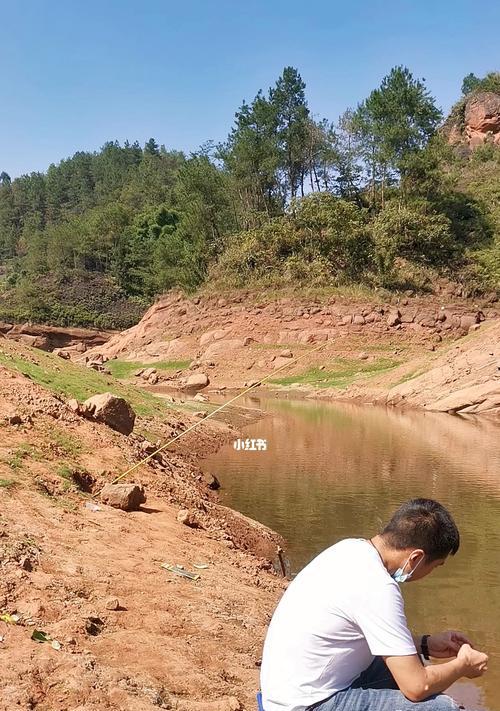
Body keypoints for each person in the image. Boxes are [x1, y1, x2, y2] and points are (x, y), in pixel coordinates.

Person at [260, 499, 488, 711]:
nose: (430, 573)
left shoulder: (351, 549)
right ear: (416, 558)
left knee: (407, 662)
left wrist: (426, 644)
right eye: (435, 566)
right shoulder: (378, 587)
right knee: (442, 707)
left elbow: (366, 634)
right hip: (306, 705)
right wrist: (462, 666)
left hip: (285, 692)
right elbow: (417, 687)